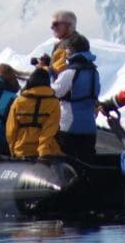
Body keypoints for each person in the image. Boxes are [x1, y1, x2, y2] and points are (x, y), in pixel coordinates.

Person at [50, 33, 100, 162]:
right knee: (87, 161)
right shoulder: (95, 72)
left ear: (70, 51)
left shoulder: (70, 73)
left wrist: (51, 74)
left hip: (69, 126)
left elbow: (54, 93)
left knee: (68, 163)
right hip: (89, 127)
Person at [5, 67, 63, 158]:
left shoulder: (18, 101)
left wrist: (12, 150)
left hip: (21, 149)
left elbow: (11, 130)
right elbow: (50, 128)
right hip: (47, 151)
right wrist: (43, 149)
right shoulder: (54, 102)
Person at [48, 9, 84, 76]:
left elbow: (59, 73)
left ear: (68, 25)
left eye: (55, 24)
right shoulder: (76, 41)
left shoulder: (73, 44)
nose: (52, 27)